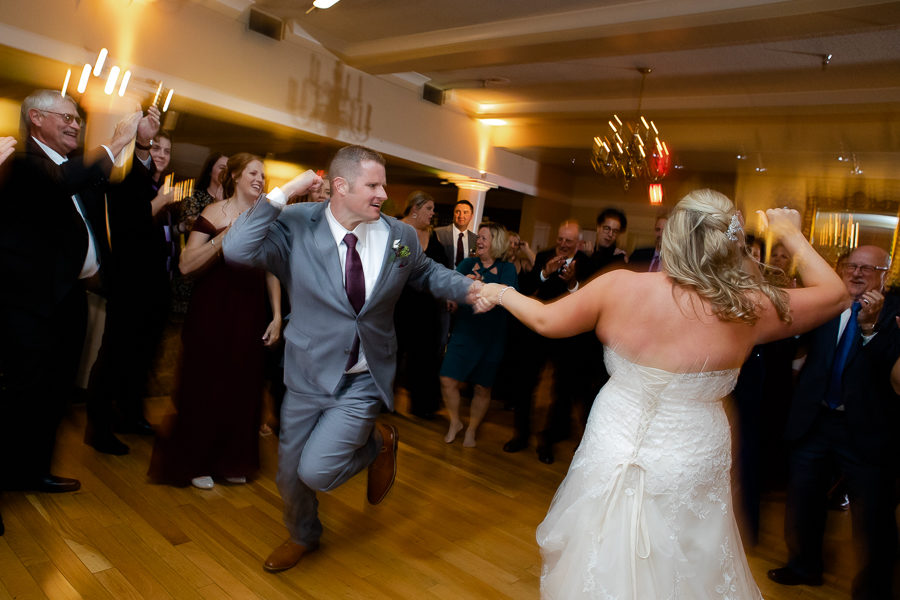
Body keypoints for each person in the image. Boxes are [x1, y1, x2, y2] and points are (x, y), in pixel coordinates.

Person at [474, 189, 848, 598]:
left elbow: (546, 319)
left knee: (600, 546)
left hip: (614, 438)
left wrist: (501, 293)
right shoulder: (749, 307)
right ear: (728, 243)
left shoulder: (619, 287)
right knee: (686, 558)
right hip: (690, 450)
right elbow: (836, 294)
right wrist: (789, 234)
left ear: (673, 236)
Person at [223, 145, 478, 573]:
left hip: (363, 377)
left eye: (383, 184)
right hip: (307, 374)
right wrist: (286, 192)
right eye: (373, 185)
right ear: (340, 186)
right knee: (289, 475)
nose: (382, 194)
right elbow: (235, 249)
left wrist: (470, 290)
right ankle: (305, 535)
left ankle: (378, 441)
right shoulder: (297, 225)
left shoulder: (398, 236)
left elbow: (425, 272)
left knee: (317, 472)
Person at [0, 90, 156, 493]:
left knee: (56, 392)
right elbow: (59, 184)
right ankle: (10, 473)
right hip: (31, 305)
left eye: (77, 119)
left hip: (71, 298)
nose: (76, 125)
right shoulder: (23, 165)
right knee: (23, 393)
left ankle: (35, 471)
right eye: (66, 118)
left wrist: (140, 146)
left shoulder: (75, 168)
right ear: (36, 118)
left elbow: (126, 197)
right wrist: (118, 139)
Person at [768, 245, 899, 599]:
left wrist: (871, 329)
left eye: (867, 268)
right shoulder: (825, 302)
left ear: (885, 274)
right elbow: (796, 343)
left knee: (872, 516)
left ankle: (873, 589)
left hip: (867, 429)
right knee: (803, 499)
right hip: (815, 418)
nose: (857, 273)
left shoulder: (895, 313)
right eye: (851, 266)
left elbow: (891, 373)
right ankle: (803, 566)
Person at [149, 153, 283, 489]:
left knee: (243, 385)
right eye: (253, 172)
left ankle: (232, 459)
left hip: (250, 310)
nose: (260, 179)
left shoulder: (266, 219)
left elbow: (271, 271)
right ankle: (196, 462)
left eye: (263, 175)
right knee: (206, 384)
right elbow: (186, 264)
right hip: (213, 307)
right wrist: (224, 238)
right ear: (235, 176)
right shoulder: (213, 212)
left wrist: (278, 315)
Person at [85, 130, 173, 454]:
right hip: (129, 286)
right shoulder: (130, 182)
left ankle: (130, 416)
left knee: (139, 359)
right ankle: (99, 428)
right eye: (155, 148)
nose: (161, 154)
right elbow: (130, 226)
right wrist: (160, 201)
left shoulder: (158, 187)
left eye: (166, 150)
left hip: (154, 290)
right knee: (113, 357)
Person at [440, 222, 517, 447]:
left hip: (492, 336)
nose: (479, 242)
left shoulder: (507, 269)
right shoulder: (467, 263)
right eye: (479, 238)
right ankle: (455, 422)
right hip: (465, 331)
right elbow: (450, 285)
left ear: (497, 243)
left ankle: (472, 429)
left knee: (483, 386)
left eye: (484, 238)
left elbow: (507, 299)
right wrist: (453, 297)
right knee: (447, 378)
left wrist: (480, 287)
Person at [394, 191, 450, 419]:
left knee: (425, 355)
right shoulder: (398, 230)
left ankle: (423, 406)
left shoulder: (433, 237)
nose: (432, 213)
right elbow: (399, 262)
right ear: (415, 209)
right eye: (429, 208)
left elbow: (442, 267)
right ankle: (382, 403)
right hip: (400, 303)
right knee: (393, 354)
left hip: (428, 306)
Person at [172, 152, 228, 315]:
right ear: (210, 171)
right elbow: (192, 225)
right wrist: (217, 205)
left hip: (214, 278)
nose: (226, 172)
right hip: (189, 274)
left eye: (229, 169)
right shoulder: (194, 196)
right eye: (221, 167)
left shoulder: (231, 203)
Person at [435, 199, 478, 266]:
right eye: (458, 212)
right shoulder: (438, 233)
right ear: (453, 214)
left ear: (471, 216)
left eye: (465, 212)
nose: (461, 216)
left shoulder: (475, 239)